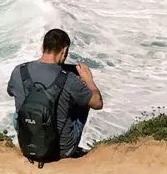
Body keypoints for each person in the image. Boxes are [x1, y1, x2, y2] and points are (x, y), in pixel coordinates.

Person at [8, 28, 103, 161]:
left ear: (42, 48)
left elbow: (10, 92)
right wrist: (89, 81)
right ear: (64, 50)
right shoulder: (69, 78)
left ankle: (33, 141)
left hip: (27, 147)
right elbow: (97, 103)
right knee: (84, 98)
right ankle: (70, 144)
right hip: (62, 151)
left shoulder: (19, 71)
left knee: (19, 110)